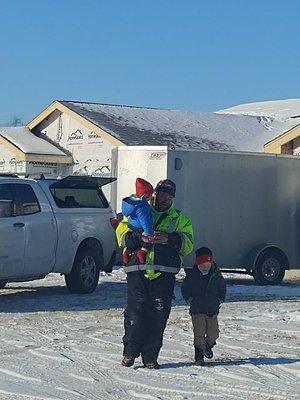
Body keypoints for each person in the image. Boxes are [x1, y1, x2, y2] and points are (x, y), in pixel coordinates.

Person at [116, 179, 194, 369]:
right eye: (163, 194)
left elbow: (189, 244)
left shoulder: (180, 218)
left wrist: (171, 238)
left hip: (164, 274)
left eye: (170, 195)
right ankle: (129, 353)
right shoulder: (139, 209)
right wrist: (137, 237)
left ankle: (150, 357)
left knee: (159, 316)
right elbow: (120, 235)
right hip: (137, 270)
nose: (166, 198)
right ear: (155, 194)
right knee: (135, 313)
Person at [181, 247, 226, 366]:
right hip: (197, 310)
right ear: (197, 263)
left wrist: (220, 300)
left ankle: (208, 345)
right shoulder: (192, 275)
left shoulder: (216, 274)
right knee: (199, 334)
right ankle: (199, 356)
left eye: (207, 264)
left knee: (214, 333)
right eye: (202, 264)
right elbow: (185, 288)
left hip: (212, 309)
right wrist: (189, 299)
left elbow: (222, 288)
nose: (205, 267)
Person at [121, 178, 155, 264]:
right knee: (149, 241)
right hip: (140, 227)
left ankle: (127, 251)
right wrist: (150, 233)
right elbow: (145, 221)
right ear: (144, 196)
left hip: (131, 225)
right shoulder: (142, 207)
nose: (149, 199)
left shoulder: (130, 202)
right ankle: (142, 251)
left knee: (133, 240)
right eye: (148, 197)